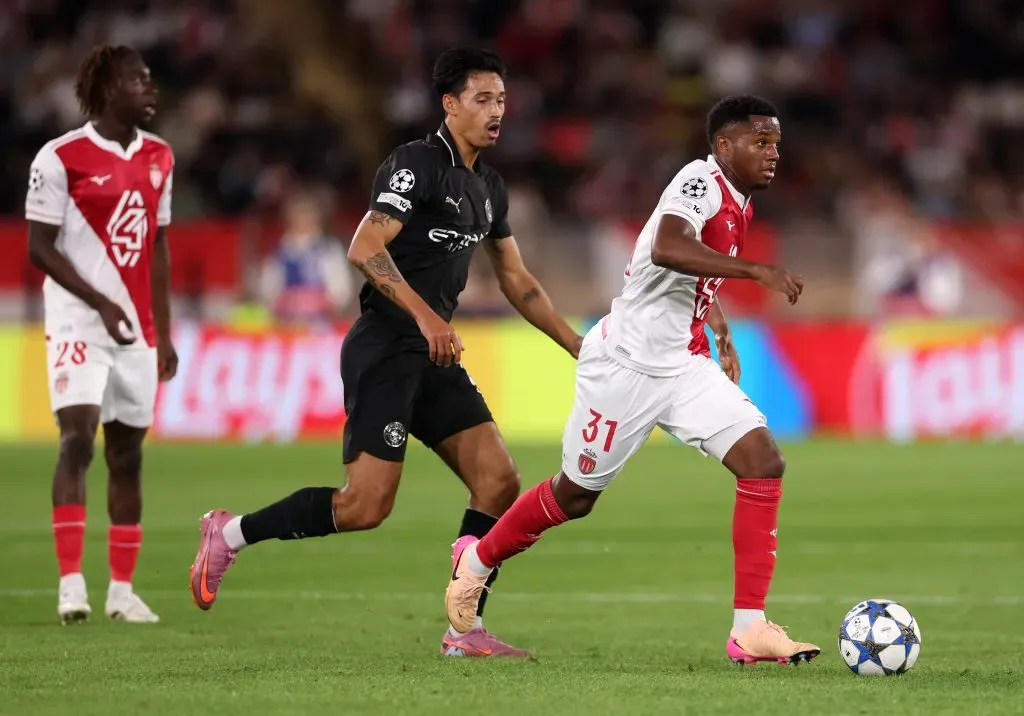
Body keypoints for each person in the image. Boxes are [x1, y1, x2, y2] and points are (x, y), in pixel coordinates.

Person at [189, 48, 582, 658]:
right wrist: (426, 317)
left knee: (499, 480)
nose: (496, 111)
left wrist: (577, 345)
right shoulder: (416, 165)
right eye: (483, 99)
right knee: (365, 506)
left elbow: (517, 281)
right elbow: (363, 245)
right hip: (386, 347)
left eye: (502, 99)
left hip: (435, 352)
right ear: (450, 106)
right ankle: (230, 533)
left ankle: (463, 631)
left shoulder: (489, 187)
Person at [445, 95, 821, 666]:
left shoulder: (738, 198)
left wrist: (715, 323)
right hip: (624, 367)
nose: (773, 154)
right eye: (760, 142)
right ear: (724, 146)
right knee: (575, 496)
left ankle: (749, 629)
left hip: (681, 364)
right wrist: (755, 270)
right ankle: (475, 563)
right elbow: (670, 247)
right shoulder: (699, 181)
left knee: (763, 460)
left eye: (776, 143)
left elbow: (675, 267)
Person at [26, 45, 178, 624]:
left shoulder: (161, 157)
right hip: (76, 321)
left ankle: (121, 590)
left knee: (128, 455)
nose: (151, 89)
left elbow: (160, 246)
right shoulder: (60, 158)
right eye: (140, 80)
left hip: (135, 328)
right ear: (109, 88)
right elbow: (38, 247)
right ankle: (71, 584)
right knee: (77, 438)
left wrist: (160, 331)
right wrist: (100, 302)